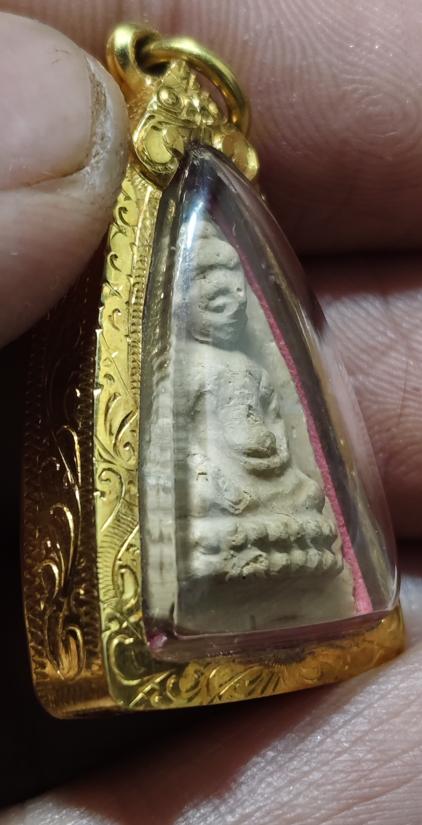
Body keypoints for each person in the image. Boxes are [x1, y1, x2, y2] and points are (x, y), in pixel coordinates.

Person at [0, 3, 421, 823]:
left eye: (235, 280)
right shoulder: (179, 362)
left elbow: (284, 444)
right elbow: (172, 456)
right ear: (186, 297)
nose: (226, 291)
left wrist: (283, 474)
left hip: (266, 514)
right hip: (209, 520)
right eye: (211, 281)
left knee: (296, 490)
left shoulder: (251, 358)